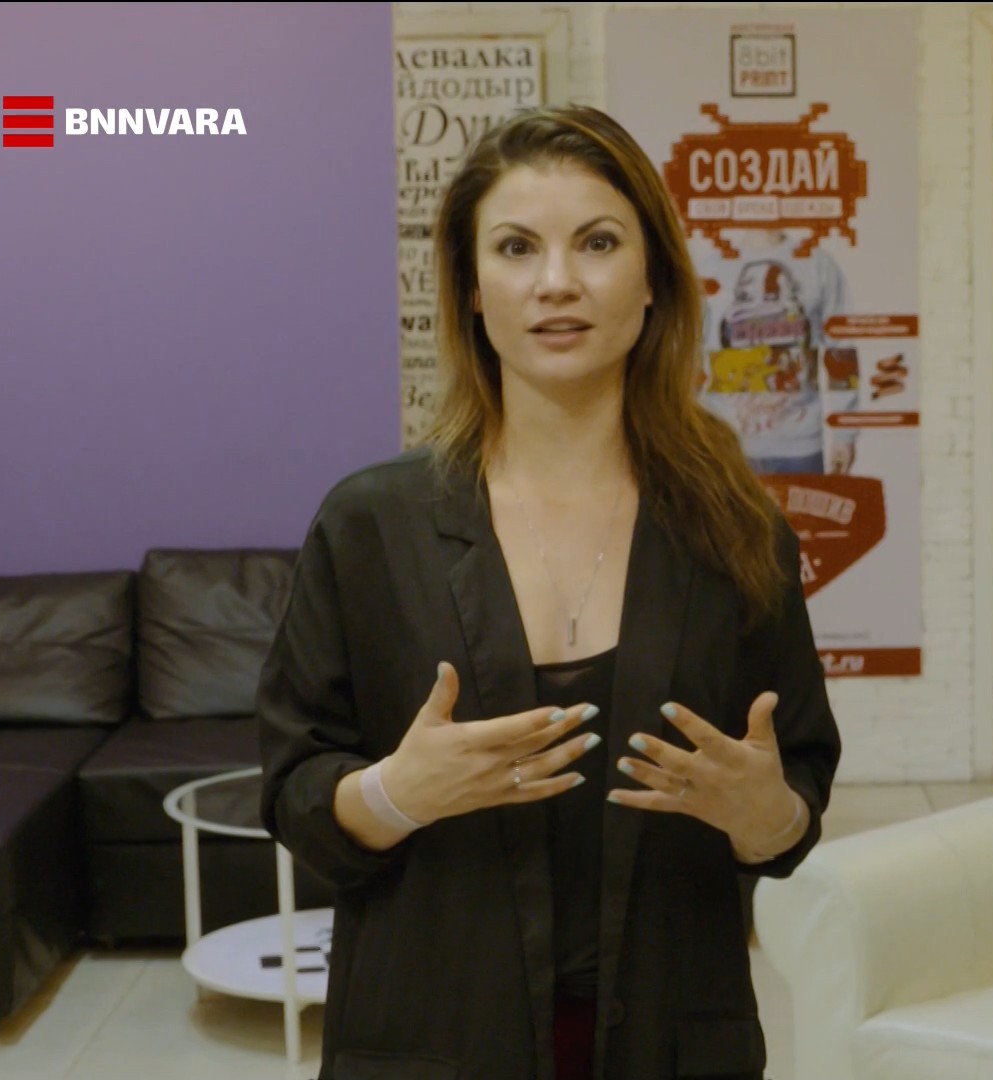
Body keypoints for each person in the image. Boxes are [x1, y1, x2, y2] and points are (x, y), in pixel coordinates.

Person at [258, 103, 842, 1080]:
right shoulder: (370, 526)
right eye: (517, 247)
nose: (558, 282)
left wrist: (765, 816)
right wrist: (398, 794)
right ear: (472, 288)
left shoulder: (735, 528)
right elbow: (292, 793)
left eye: (598, 243)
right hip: (431, 1037)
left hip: (672, 1040)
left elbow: (796, 799)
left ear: (652, 280)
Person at [696, 226, 861, 476]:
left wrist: (844, 435)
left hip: (801, 446)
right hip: (725, 445)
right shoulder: (710, 267)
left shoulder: (818, 264)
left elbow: (841, 350)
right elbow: (688, 353)